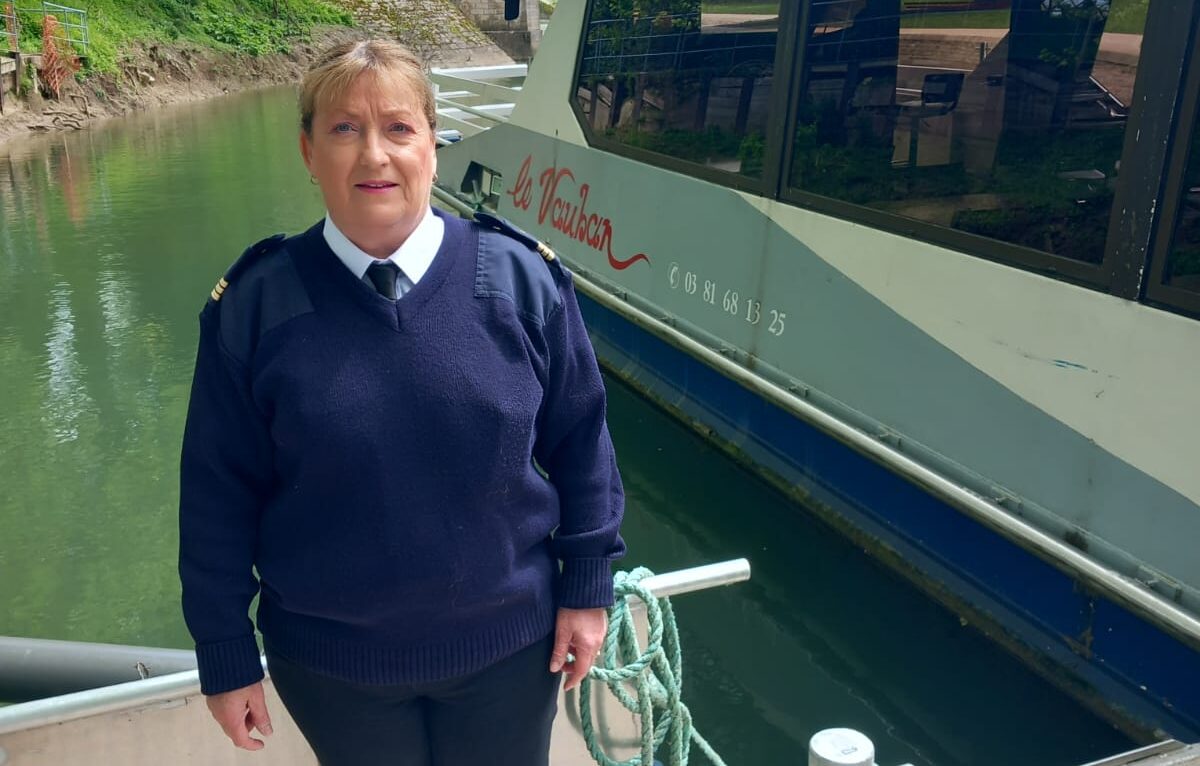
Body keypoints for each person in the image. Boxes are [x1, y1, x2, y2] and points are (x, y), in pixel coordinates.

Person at [178, 39, 626, 766]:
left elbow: (582, 444)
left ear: (433, 146)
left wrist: (588, 584)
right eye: (344, 129)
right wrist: (224, 647)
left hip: (510, 652)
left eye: (398, 127)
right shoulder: (255, 307)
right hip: (333, 669)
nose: (374, 155)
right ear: (308, 151)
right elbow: (215, 494)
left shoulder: (521, 283)